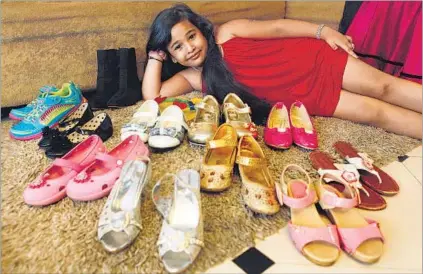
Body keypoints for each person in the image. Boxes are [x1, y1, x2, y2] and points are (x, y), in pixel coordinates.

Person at [142, 3, 422, 139]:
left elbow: (277, 27)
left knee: (385, 87)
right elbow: (153, 95)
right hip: (307, 96)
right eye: (177, 47)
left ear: (200, 31)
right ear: (173, 57)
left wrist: (323, 32)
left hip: (314, 60)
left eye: (191, 36)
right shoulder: (193, 78)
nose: (189, 48)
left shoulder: (226, 33)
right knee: (375, 114)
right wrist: (156, 55)